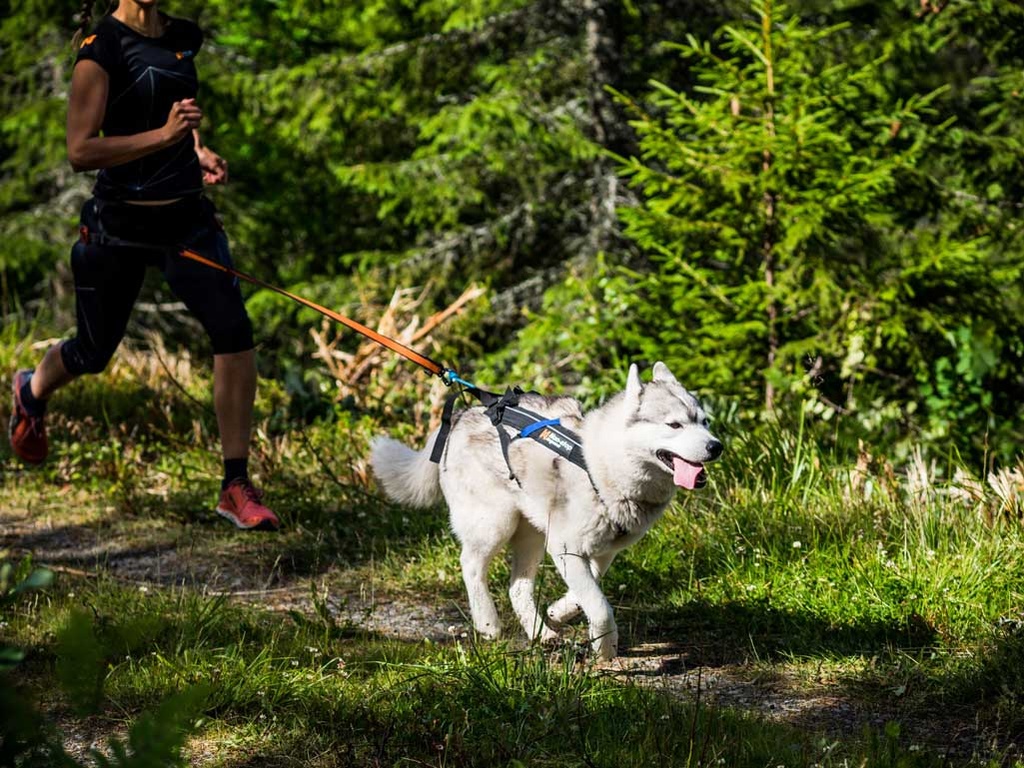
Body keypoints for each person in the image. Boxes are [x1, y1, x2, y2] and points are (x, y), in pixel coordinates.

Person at [8, 0, 280, 531]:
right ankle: (31, 389)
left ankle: (234, 483)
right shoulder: (100, 50)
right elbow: (81, 150)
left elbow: (174, 111)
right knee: (93, 351)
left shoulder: (181, 35)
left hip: (186, 223)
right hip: (118, 229)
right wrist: (165, 138)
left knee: (234, 333)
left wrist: (195, 149)